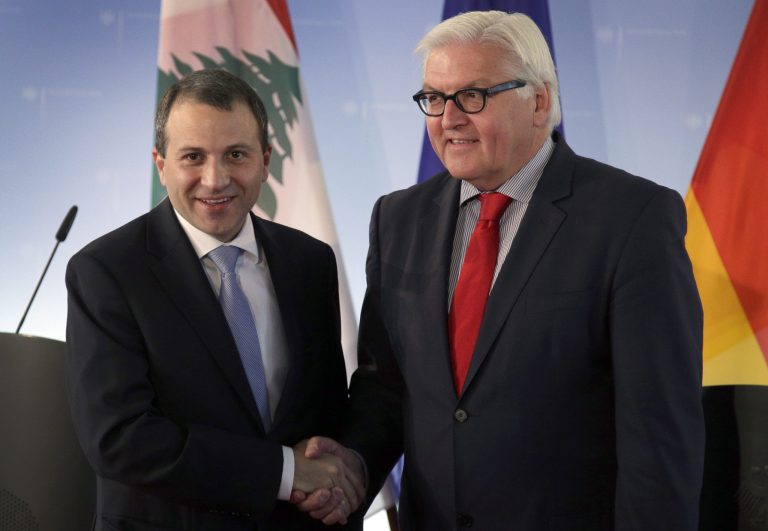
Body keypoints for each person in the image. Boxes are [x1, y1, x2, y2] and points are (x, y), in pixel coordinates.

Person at [297, 10, 705, 530]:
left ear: (538, 102)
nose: (449, 119)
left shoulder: (631, 218)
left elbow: (659, 431)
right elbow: (388, 386)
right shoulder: (397, 218)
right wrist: (352, 463)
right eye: (434, 99)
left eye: (473, 96)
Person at [65, 69, 364, 531]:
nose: (215, 178)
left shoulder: (310, 262)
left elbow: (323, 412)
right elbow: (120, 438)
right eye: (193, 157)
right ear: (161, 165)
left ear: (265, 161)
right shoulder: (106, 271)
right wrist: (285, 472)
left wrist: (336, 484)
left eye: (236, 155)